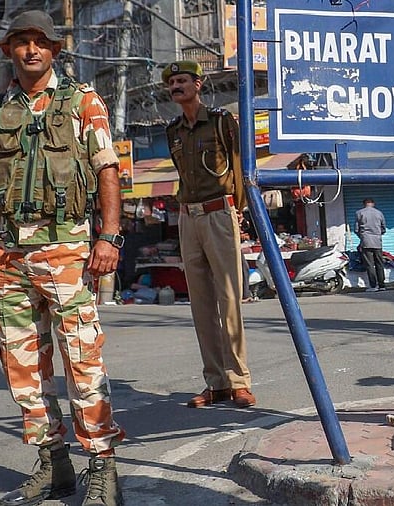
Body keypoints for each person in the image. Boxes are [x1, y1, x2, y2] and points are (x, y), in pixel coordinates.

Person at [0, 11, 127, 506]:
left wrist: (110, 237)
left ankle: (102, 468)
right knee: (22, 364)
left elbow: (107, 169)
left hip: (65, 246)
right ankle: (53, 464)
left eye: (40, 42)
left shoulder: (83, 101)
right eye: (21, 42)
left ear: (55, 50)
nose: (31, 50)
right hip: (7, 252)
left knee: (82, 358)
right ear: (9, 51)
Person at [163, 60, 256, 410]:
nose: (177, 87)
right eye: (172, 82)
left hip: (220, 213)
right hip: (188, 217)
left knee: (230, 300)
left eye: (183, 80)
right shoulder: (172, 131)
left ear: (198, 84)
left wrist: (240, 211)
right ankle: (215, 383)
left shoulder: (220, 122)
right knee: (201, 305)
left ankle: (239, 381)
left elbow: (240, 168)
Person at [355, 198, 387, 292]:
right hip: (377, 242)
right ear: (373, 204)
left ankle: (373, 286)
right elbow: (383, 228)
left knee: (369, 264)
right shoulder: (379, 213)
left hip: (366, 241)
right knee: (379, 264)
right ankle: (382, 285)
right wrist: (377, 234)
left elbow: (356, 229)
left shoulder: (359, 213)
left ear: (364, 204)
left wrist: (362, 236)